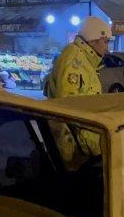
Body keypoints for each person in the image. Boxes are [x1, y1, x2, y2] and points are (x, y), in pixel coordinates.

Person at [44, 16, 113, 158]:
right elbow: (69, 109)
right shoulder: (74, 61)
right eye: (105, 41)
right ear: (93, 39)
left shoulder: (83, 60)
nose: (107, 47)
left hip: (77, 145)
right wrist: (90, 146)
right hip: (72, 148)